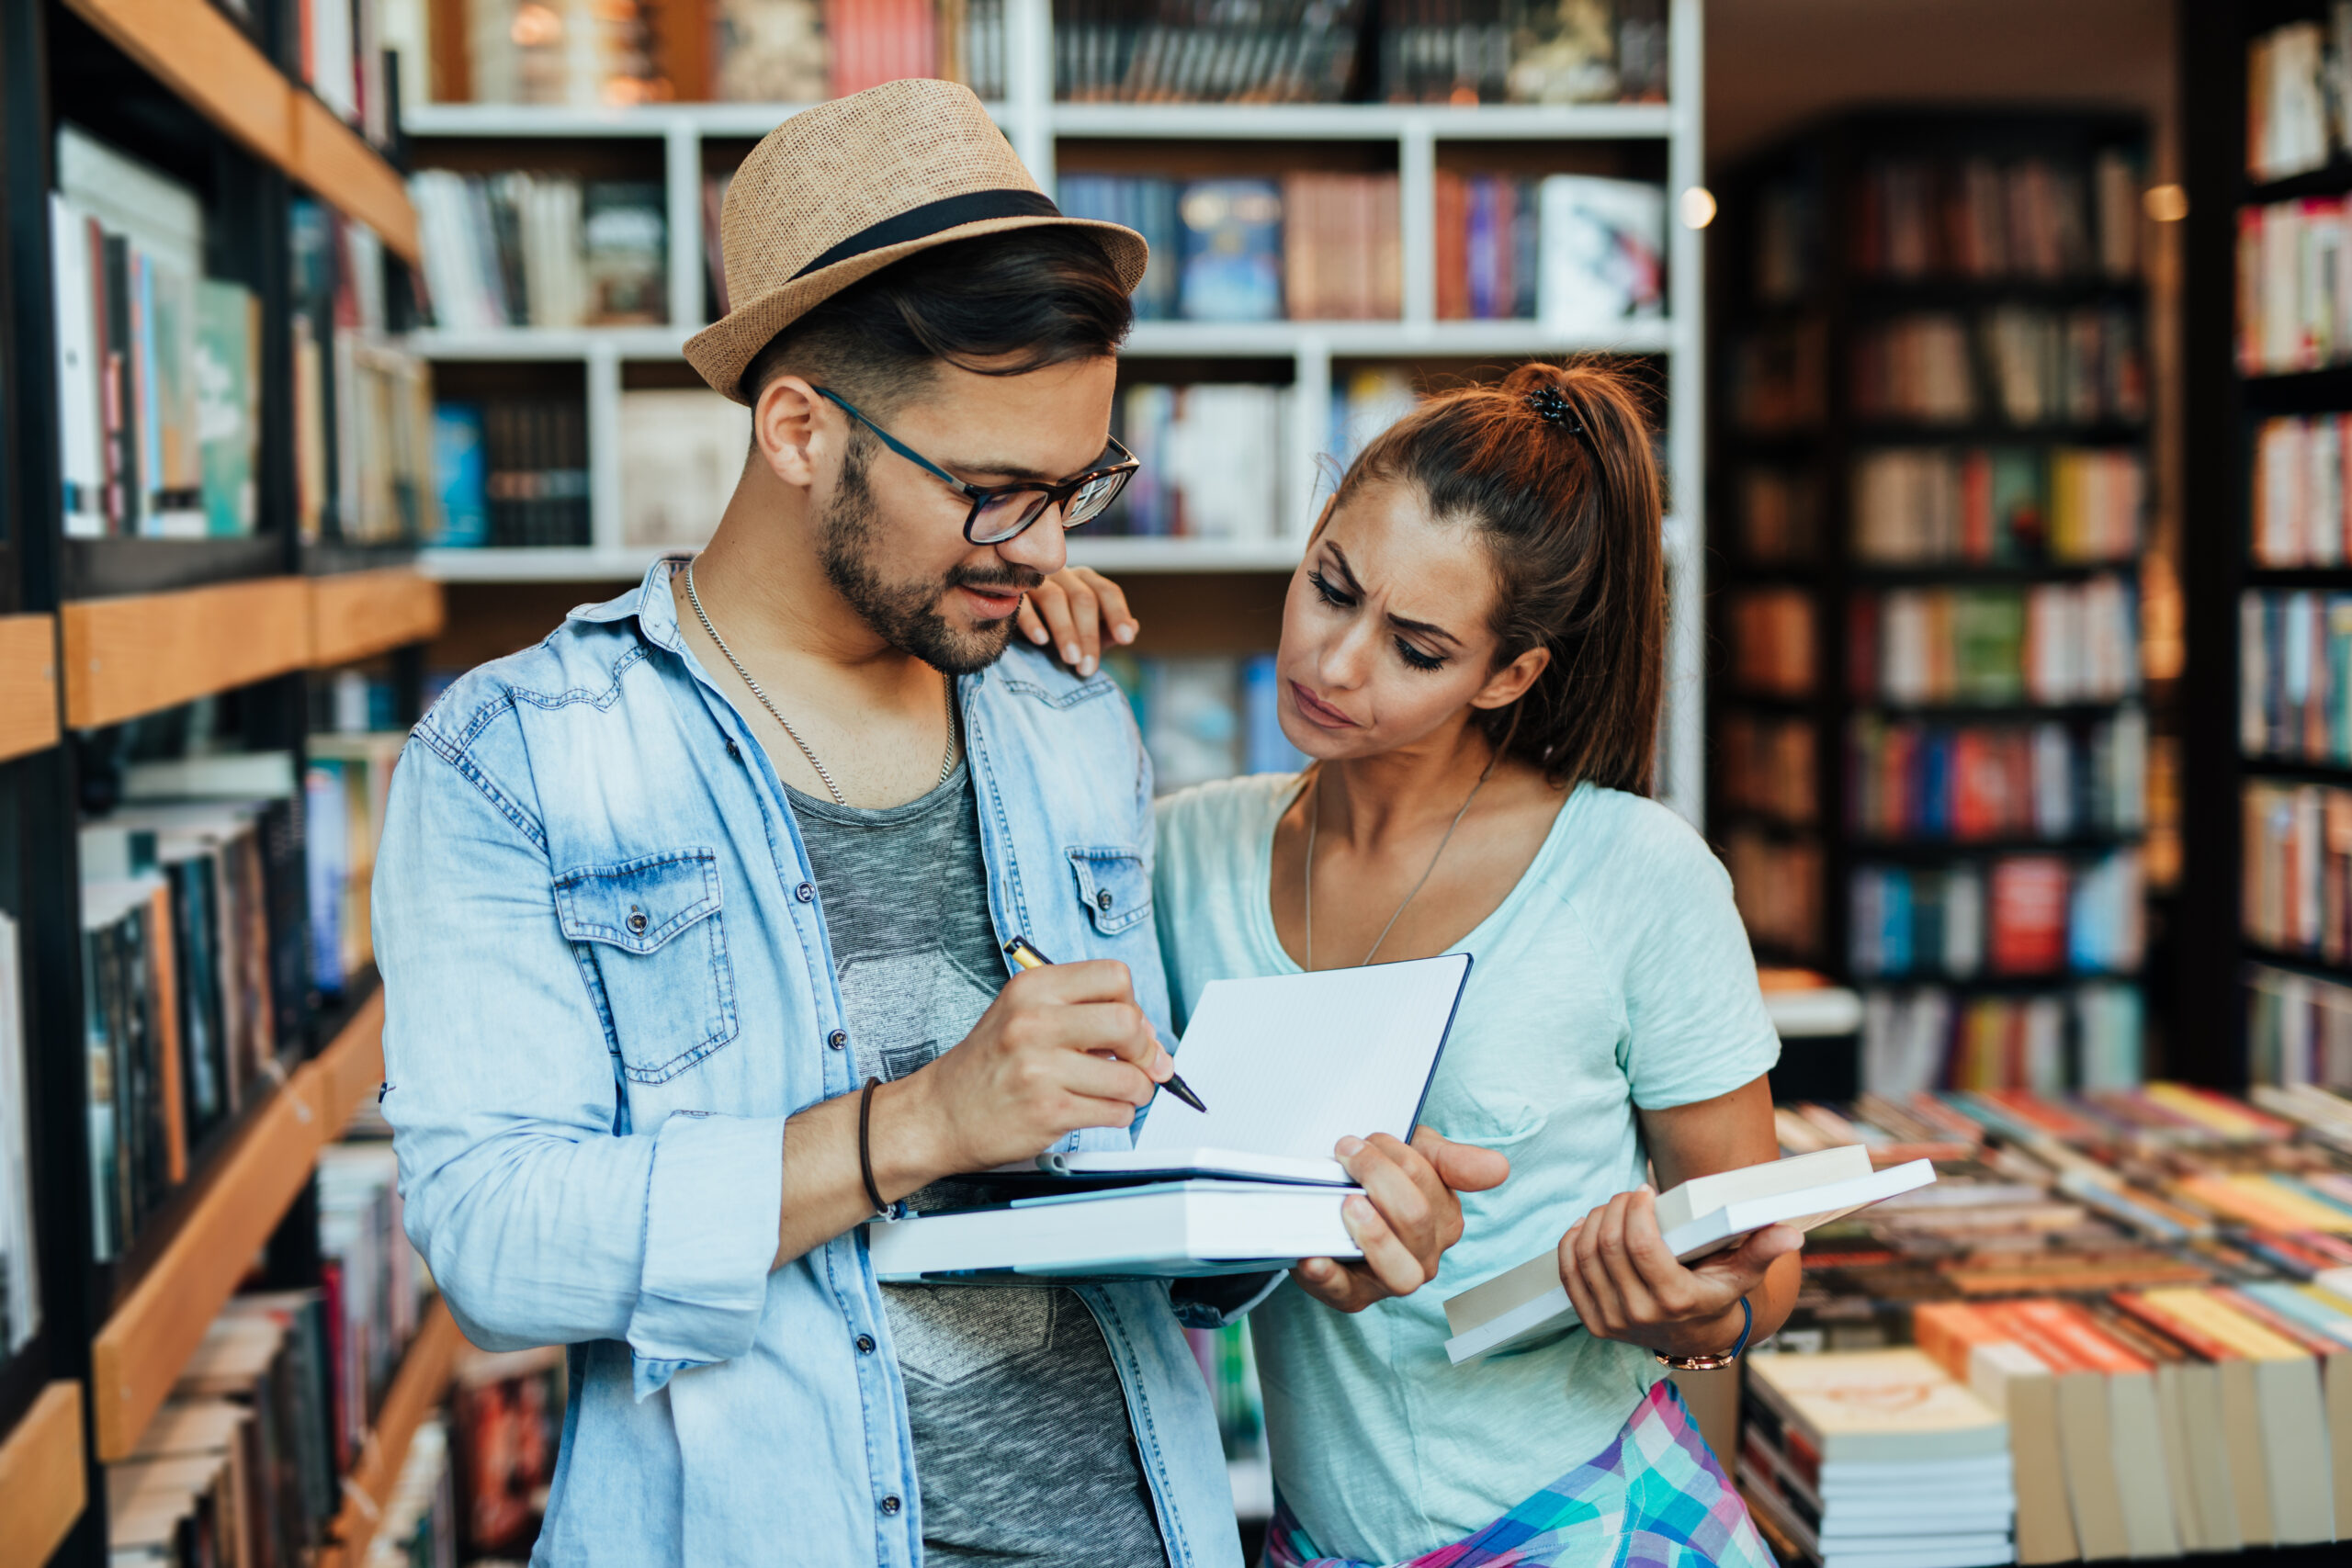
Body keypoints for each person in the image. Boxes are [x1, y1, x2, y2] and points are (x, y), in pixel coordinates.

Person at [372, 81, 1493, 1568]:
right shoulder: (518, 756)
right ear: (795, 431)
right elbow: (495, 1245)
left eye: (1074, 486)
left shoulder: (1067, 714)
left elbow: (1110, 1172)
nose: (1039, 550)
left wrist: (1294, 1220)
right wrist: (918, 1124)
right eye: (990, 491)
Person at [1021, 362, 1801, 1568]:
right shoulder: (1176, 854)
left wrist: (1700, 1316)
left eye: (1417, 648)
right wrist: (1011, 632)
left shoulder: (1636, 874)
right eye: (1328, 587)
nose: (1335, 664)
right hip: (1322, 1544)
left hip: (1598, 1529)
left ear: (1509, 674)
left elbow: (1761, 1270)